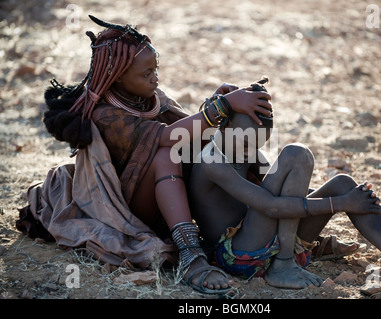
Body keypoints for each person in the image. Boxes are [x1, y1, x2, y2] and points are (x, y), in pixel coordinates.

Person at [17, 16, 273, 295]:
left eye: (155, 68)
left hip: (166, 196)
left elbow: (186, 133)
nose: (155, 77)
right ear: (118, 77)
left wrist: (212, 104)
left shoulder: (151, 98)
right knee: (165, 154)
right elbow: (167, 137)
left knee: (206, 147)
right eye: (145, 73)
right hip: (128, 210)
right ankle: (191, 257)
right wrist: (221, 107)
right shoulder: (106, 114)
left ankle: (251, 219)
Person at [188, 86, 381, 296]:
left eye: (258, 144)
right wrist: (339, 204)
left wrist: (343, 197)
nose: (249, 150)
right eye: (245, 142)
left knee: (343, 182)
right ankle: (284, 266)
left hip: (266, 243)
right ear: (224, 127)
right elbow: (270, 206)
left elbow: (288, 190)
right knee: (296, 154)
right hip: (238, 256)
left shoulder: (244, 150)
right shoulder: (211, 160)